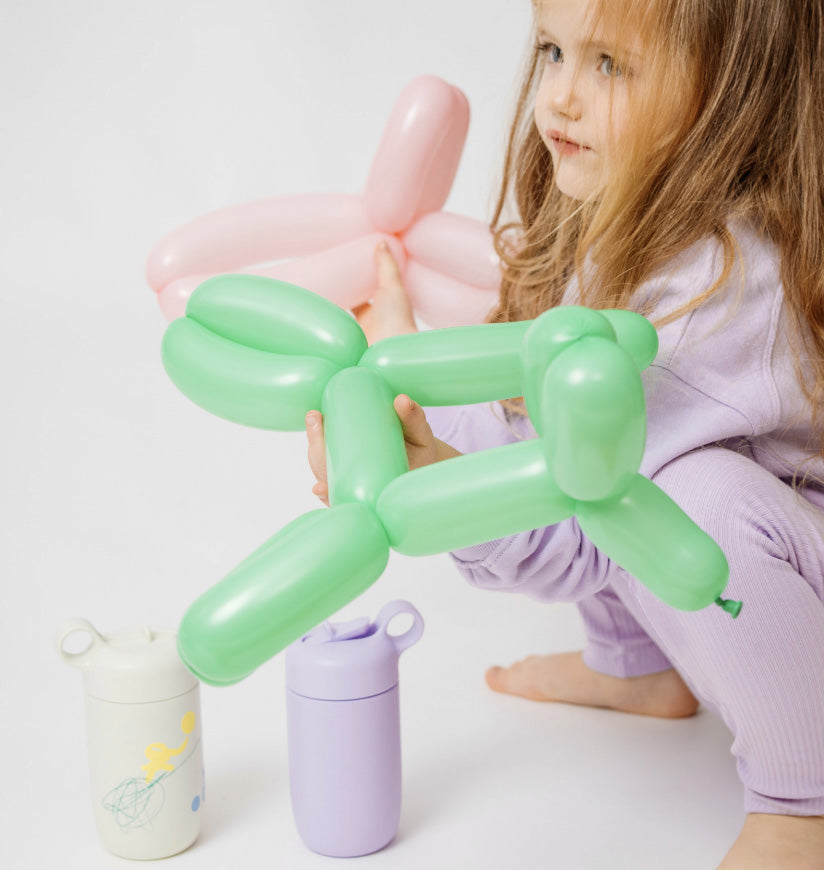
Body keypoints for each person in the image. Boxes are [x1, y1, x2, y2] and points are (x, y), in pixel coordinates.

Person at [306, 0, 824, 866]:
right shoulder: (632, 208)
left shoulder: (722, 295)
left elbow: (594, 519)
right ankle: (637, 664)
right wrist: (408, 372)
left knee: (685, 494)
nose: (559, 98)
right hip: (724, 574)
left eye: (608, 64)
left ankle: (803, 800)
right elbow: (537, 427)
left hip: (785, 598)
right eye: (552, 50)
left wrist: (446, 493)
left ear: (729, 94)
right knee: (586, 415)